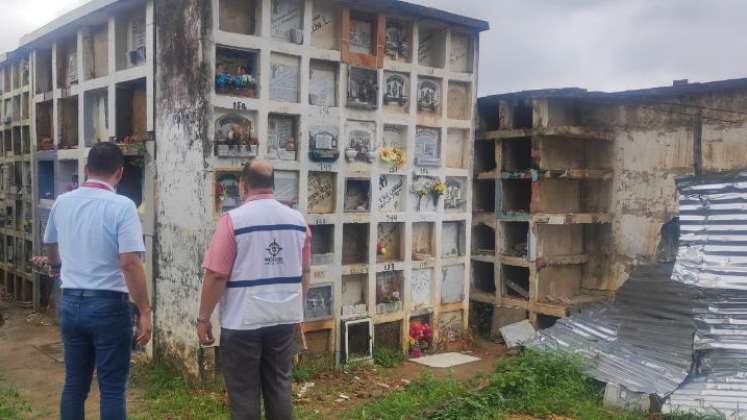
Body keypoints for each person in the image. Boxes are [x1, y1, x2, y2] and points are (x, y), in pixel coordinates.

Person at [43, 142, 151, 420]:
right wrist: (145, 311)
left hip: (70, 302)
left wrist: (57, 268)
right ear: (119, 173)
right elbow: (129, 262)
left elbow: (51, 244)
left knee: (74, 385)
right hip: (108, 306)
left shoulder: (63, 201)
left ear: (86, 169)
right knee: (112, 389)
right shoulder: (123, 206)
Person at [197, 160, 311, 420]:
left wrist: (203, 318)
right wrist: (298, 312)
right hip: (283, 316)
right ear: (273, 186)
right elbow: (305, 272)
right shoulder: (297, 221)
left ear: (243, 185)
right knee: (280, 386)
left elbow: (216, 275)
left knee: (244, 392)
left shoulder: (233, 221)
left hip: (242, 321)